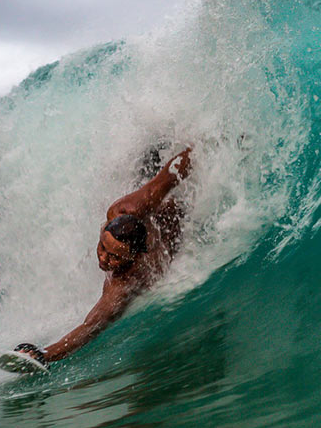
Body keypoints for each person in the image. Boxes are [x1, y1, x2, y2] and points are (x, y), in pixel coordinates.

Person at [16, 147, 192, 365]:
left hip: (179, 221)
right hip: (157, 214)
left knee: (175, 204)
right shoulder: (124, 209)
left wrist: (44, 355)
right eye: (102, 247)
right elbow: (171, 171)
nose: (104, 259)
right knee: (150, 157)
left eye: (115, 257)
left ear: (134, 257)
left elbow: (91, 326)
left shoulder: (126, 281)